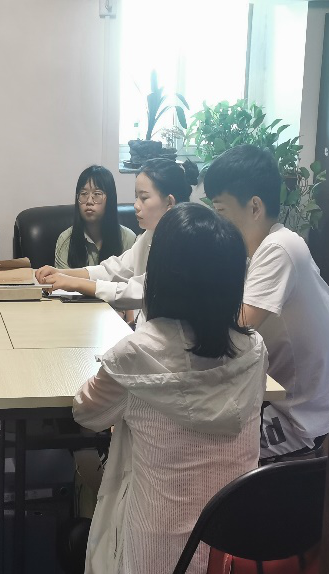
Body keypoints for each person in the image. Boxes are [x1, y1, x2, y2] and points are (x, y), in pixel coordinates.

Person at [74, 203, 267, 574]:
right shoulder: (254, 349)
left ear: (160, 275)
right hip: (233, 553)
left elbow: (86, 412)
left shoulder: (137, 352)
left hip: (155, 555)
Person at [204, 144, 329, 463]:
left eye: (220, 212)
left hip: (299, 419)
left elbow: (235, 331)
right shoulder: (262, 251)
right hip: (281, 400)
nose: (216, 224)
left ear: (254, 207)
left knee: (196, 448)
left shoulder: (279, 248)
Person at [36, 158, 198, 326]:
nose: (136, 205)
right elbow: (113, 269)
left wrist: (75, 283)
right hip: (145, 331)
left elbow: (138, 291)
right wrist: (62, 273)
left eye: (143, 198)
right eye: (136, 197)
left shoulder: (184, 243)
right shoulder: (149, 235)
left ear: (169, 202)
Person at [54, 165, 137, 268]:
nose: (89, 201)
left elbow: (132, 277)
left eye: (97, 194)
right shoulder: (66, 241)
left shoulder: (128, 239)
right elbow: (62, 278)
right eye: (84, 194)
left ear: (110, 199)